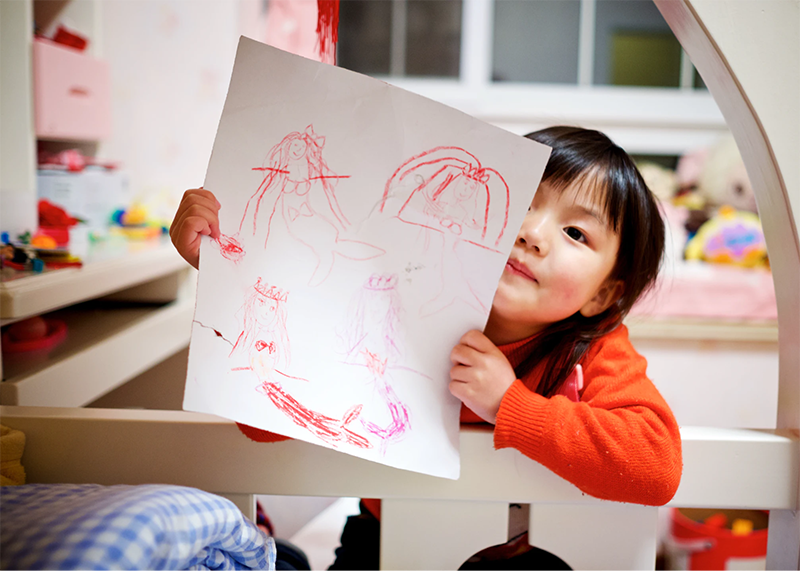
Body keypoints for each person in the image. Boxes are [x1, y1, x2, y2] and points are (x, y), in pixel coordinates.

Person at [169, 126, 682, 569]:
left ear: (603, 295)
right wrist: (228, 274)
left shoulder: (594, 348)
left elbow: (656, 467)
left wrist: (511, 405)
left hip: (526, 557)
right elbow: (260, 424)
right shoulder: (398, 303)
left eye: (574, 232)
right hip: (386, 538)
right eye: (522, 202)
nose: (531, 233)